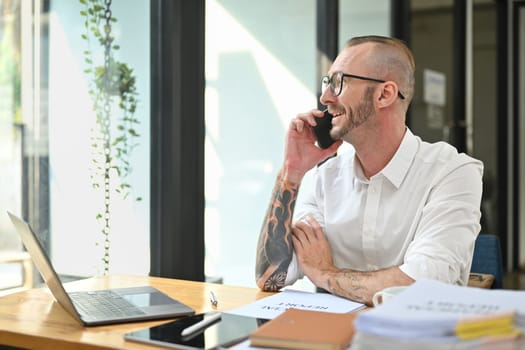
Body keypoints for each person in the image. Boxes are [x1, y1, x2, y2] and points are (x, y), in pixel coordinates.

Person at [255, 35, 483, 306]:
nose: (326, 97)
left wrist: (325, 273)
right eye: (327, 83)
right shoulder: (324, 178)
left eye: (339, 82)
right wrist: (290, 175)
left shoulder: (453, 173)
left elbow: (422, 288)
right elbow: (271, 278)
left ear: (384, 94)